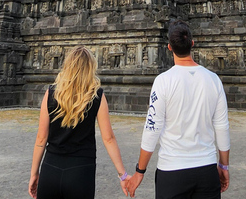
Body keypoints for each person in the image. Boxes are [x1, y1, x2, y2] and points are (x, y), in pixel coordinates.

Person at [127, 20, 230, 199]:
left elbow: (152, 128)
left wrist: (140, 171)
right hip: (206, 168)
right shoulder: (213, 79)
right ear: (192, 43)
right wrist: (224, 166)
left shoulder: (163, 81)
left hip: (172, 170)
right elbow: (222, 127)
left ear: (169, 47)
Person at [29, 46, 129, 199]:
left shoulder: (51, 93)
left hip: (51, 169)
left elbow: (41, 138)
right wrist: (123, 175)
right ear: (90, 68)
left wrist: (34, 173)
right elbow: (108, 138)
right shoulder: (96, 96)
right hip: (81, 171)